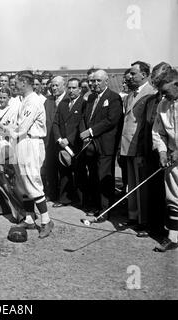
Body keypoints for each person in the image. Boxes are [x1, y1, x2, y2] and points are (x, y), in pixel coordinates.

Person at [6, 70, 54, 239]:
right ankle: (28, 218)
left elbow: (22, 129)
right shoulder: (24, 100)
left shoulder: (33, 101)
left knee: (32, 181)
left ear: (25, 82)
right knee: (22, 183)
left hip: (30, 142)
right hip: (22, 142)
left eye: (17, 82)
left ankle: (46, 221)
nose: (15, 85)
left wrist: (5, 130)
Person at [79, 69, 123, 219]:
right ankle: (95, 206)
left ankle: (105, 210)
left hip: (105, 145)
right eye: (93, 81)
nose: (95, 83)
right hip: (90, 145)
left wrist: (90, 131)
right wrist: (85, 133)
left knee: (104, 177)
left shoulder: (114, 97)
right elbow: (85, 118)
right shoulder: (90, 98)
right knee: (93, 176)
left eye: (98, 81)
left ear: (106, 81)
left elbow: (111, 120)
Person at [120, 61, 156, 236]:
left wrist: (143, 149)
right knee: (132, 184)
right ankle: (133, 216)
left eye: (134, 74)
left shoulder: (151, 94)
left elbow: (146, 126)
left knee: (141, 187)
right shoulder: (130, 94)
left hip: (140, 147)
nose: (130, 76)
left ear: (144, 74)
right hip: (127, 145)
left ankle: (144, 221)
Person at [152, 68, 178, 252]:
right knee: (174, 197)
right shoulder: (162, 105)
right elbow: (158, 132)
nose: (163, 95)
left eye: (166, 90)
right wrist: (162, 151)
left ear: (177, 84)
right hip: (172, 159)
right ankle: (173, 238)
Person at [144, 62, 172, 237]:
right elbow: (149, 127)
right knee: (156, 191)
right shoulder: (151, 100)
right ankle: (156, 228)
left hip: (174, 153)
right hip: (154, 151)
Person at [52, 78, 87, 208]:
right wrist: (60, 139)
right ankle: (64, 199)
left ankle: (82, 201)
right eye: (70, 88)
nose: (71, 91)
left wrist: (70, 139)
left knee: (79, 172)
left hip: (76, 144)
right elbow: (56, 123)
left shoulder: (84, 104)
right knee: (64, 172)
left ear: (79, 89)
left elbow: (81, 125)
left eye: (74, 88)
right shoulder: (63, 103)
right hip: (62, 144)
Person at [43, 76, 68, 202]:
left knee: (64, 169)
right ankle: (52, 194)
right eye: (52, 85)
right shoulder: (48, 101)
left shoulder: (68, 99)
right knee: (50, 168)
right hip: (49, 141)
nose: (54, 88)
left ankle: (64, 197)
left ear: (64, 85)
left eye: (57, 85)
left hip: (63, 140)